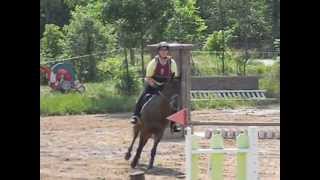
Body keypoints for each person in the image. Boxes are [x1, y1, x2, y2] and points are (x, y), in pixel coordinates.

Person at [130, 42, 181, 132]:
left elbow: (174, 77)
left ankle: (174, 124)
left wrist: (168, 87)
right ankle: (135, 116)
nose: (164, 52)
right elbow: (148, 77)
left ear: (168, 52)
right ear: (159, 51)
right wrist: (156, 86)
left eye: (165, 50)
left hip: (165, 86)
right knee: (142, 97)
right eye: (162, 50)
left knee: (175, 101)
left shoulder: (172, 62)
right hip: (153, 84)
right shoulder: (153, 62)